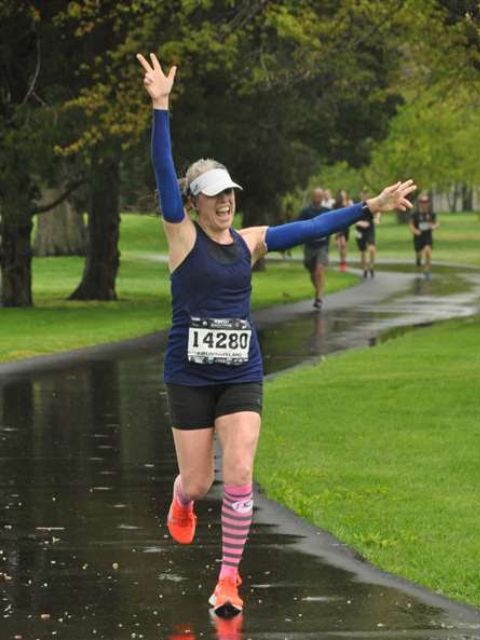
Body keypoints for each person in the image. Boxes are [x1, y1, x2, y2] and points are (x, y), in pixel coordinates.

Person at [136, 51, 416, 617]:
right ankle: (181, 500)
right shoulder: (181, 238)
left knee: (239, 475)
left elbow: (311, 226)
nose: (226, 201)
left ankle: (229, 580)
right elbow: (166, 182)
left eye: (230, 193)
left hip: (241, 372)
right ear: (195, 203)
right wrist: (161, 106)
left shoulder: (251, 240)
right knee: (198, 481)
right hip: (189, 375)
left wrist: (368, 206)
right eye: (214, 195)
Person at [298, 188, 330, 309]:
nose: (317, 199)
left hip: (322, 246)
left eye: (319, 197)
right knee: (312, 273)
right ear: (313, 197)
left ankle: (319, 297)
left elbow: (335, 223)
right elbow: (297, 226)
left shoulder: (326, 211)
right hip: (309, 246)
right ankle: (318, 289)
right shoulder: (306, 212)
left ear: (322, 198)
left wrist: (340, 235)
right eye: (315, 196)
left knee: (319, 270)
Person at [409, 193, 438, 278]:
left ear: (428, 203)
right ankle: (418, 259)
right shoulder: (415, 214)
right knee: (419, 254)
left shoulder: (431, 214)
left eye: (426, 202)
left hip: (427, 236)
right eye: (422, 202)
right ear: (419, 203)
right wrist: (415, 231)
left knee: (428, 251)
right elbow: (411, 225)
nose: (424, 204)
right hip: (418, 237)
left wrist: (434, 226)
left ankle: (427, 270)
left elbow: (436, 223)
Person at [355, 188, 380, 278]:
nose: (365, 196)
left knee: (372, 249)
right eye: (363, 194)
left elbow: (377, 211)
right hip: (360, 230)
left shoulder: (371, 203)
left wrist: (377, 219)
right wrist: (360, 223)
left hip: (370, 229)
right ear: (360, 195)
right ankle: (365, 268)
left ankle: (371, 266)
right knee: (362, 251)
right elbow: (351, 219)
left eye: (366, 194)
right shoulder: (357, 206)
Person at [334, 189, 353, 271]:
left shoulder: (349, 203)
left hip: (346, 227)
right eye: (341, 194)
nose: (343, 195)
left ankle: (343, 262)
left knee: (344, 246)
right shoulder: (336, 205)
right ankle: (342, 262)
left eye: (344, 194)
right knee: (341, 244)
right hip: (338, 226)